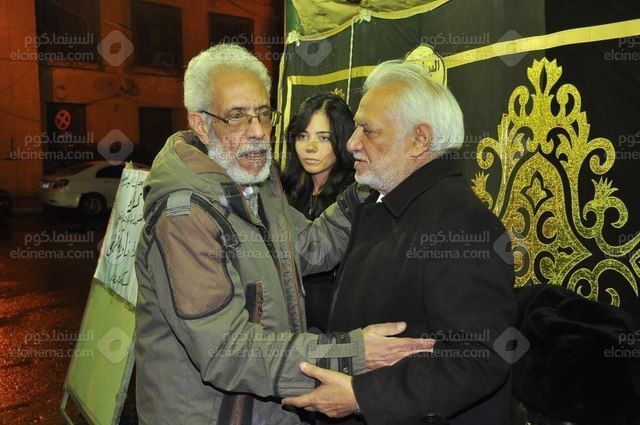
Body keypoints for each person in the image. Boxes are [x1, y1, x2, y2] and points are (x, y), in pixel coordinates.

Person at [134, 45, 434, 425]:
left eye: (264, 114)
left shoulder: (254, 184)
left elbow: (308, 246)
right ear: (201, 125)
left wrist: (363, 186)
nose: (259, 132)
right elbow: (228, 352)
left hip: (269, 408)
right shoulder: (185, 215)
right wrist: (352, 353)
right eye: (238, 117)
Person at [283, 60, 517, 425]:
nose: (351, 143)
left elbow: (480, 358)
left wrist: (361, 397)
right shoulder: (382, 203)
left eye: (368, 130)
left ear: (419, 139)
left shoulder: (460, 223)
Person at [282, 93, 355, 331]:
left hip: (337, 330)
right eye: (303, 136)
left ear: (343, 140)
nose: (310, 147)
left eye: (324, 138)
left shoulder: (354, 199)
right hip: (290, 328)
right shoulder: (283, 192)